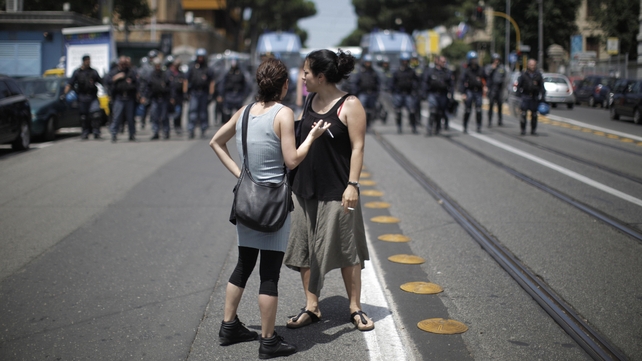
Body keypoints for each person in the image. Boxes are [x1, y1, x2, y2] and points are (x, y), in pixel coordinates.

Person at [210, 58, 330, 359]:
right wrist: (313, 137)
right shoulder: (283, 113)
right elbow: (291, 160)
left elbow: (215, 142)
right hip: (274, 204)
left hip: (246, 201)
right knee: (269, 275)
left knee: (243, 265)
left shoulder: (245, 112)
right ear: (284, 86)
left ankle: (228, 327)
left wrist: (241, 174)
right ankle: (268, 341)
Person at [283, 49, 374, 332]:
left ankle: (355, 308)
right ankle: (312, 307)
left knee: (348, 250)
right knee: (305, 250)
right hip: (305, 188)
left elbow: (358, 147)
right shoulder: (309, 100)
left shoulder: (350, 105)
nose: (303, 77)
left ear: (321, 77)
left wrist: (353, 185)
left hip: (338, 189)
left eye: (307, 72)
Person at [64, 54, 103, 139]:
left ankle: (96, 132)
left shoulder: (93, 72)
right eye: (87, 60)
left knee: (96, 115)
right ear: (84, 61)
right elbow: (70, 83)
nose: (89, 62)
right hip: (82, 97)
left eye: (89, 60)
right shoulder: (77, 72)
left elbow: (101, 81)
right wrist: (65, 93)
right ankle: (85, 132)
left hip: (92, 96)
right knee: (83, 117)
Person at [106, 56, 139, 142]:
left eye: (125, 63)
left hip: (129, 97)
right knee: (117, 117)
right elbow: (107, 81)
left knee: (130, 118)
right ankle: (114, 134)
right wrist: (116, 77)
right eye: (122, 63)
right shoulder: (114, 72)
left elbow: (136, 83)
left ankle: (132, 134)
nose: (124, 65)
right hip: (119, 97)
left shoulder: (131, 72)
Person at [184, 48, 215, 139]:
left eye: (202, 57)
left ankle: (203, 129)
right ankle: (191, 129)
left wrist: (211, 94)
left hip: (204, 93)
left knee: (203, 112)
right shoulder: (192, 67)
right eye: (199, 57)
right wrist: (185, 92)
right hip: (194, 92)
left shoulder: (208, 68)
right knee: (192, 111)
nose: (200, 58)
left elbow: (211, 82)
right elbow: (186, 80)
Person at [421, 55, 453, 136]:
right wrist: (424, 93)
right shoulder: (431, 71)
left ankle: (438, 128)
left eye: (444, 61)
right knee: (433, 111)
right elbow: (425, 82)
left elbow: (451, 85)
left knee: (440, 112)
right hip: (433, 94)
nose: (444, 63)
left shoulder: (447, 72)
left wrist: (451, 96)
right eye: (442, 61)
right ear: (437, 61)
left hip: (443, 95)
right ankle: (429, 128)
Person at [391, 52, 419, 134]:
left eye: (406, 61)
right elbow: (392, 82)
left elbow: (417, 82)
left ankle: (413, 126)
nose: (405, 62)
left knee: (412, 111)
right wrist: (391, 91)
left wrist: (416, 90)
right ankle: (399, 127)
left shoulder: (411, 71)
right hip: (399, 94)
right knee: (398, 111)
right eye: (403, 61)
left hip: (408, 94)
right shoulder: (397, 72)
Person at [517, 58, 546, 135]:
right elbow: (518, 86)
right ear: (528, 65)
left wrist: (542, 97)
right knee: (523, 114)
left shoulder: (538, 75)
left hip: (534, 97)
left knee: (534, 114)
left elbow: (542, 87)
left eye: (534, 65)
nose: (532, 66)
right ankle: (523, 129)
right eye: (531, 65)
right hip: (525, 96)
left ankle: (533, 130)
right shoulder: (524, 74)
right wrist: (518, 95)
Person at [145, 57, 171, 140]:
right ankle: (155, 132)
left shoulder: (165, 75)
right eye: (156, 65)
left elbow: (170, 86)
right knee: (154, 116)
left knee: (164, 116)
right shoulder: (151, 75)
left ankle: (166, 132)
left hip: (163, 98)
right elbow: (147, 86)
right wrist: (145, 96)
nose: (157, 67)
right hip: (154, 99)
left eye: (159, 65)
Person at [351, 54, 380, 131]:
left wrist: (377, 93)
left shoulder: (374, 73)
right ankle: (362, 125)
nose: (368, 64)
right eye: (367, 62)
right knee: (362, 110)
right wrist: (355, 93)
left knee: (371, 110)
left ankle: (369, 124)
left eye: (369, 62)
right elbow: (356, 83)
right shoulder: (360, 72)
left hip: (372, 93)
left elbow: (377, 83)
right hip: (362, 93)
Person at [460, 50, 486, 133]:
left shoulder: (480, 69)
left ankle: (479, 126)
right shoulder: (466, 70)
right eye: (472, 59)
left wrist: (486, 86)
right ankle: (465, 126)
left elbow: (486, 78)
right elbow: (462, 82)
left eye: (475, 59)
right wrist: (463, 93)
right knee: (468, 110)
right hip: (469, 91)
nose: (474, 61)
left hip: (478, 91)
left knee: (478, 110)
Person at [218, 57, 249, 123]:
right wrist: (221, 95)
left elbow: (245, 85)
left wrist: (245, 95)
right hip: (229, 95)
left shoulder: (241, 73)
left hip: (238, 95)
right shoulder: (227, 73)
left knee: (239, 114)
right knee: (227, 113)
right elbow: (222, 84)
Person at [166, 56, 186, 135]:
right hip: (169, 96)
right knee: (168, 114)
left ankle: (177, 126)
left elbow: (184, 83)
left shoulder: (181, 74)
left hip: (179, 96)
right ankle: (166, 129)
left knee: (178, 112)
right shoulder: (168, 73)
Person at [486, 53, 507, 127]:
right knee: (491, 105)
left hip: (499, 88)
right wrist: (492, 68)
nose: (496, 61)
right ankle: (489, 120)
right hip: (492, 88)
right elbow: (486, 75)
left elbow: (505, 77)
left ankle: (500, 120)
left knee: (500, 105)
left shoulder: (502, 68)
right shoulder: (489, 67)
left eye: (497, 60)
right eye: (495, 60)